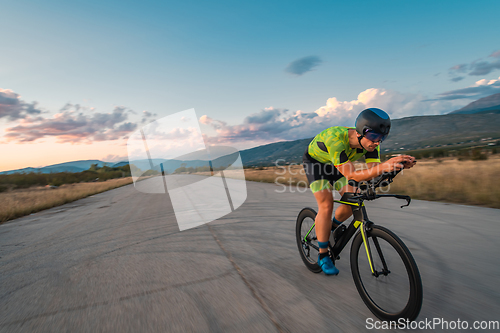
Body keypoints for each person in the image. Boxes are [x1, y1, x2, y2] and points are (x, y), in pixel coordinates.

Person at [302, 108, 416, 275]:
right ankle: (323, 254)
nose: (377, 142)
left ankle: (330, 228)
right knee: (326, 205)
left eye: (382, 138)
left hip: (338, 164)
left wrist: (395, 168)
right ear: (362, 132)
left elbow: (374, 173)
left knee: (353, 199)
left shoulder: (372, 145)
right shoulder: (335, 139)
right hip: (317, 165)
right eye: (375, 137)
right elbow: (352, 174)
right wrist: (385, 165)